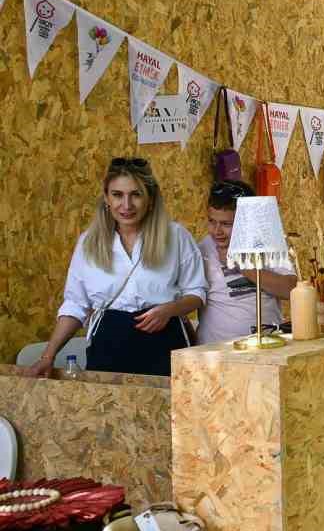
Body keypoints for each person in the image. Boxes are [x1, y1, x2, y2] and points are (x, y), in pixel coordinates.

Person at [26, 157, 206, 377]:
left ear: (150, 198)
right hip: (108, 346)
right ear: (106, 198)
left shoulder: (175, 236)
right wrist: (48, 357)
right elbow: (75, 305)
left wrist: (170, 310)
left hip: (165, 344)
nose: (127, 205)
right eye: (118, 195)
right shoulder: (88, 243)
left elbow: (196, 293)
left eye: (136, 194)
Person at [196, 179, 298, 345]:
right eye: (212, 221)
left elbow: (291, 290)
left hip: (268, 345)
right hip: (221, 352)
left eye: (226, 224)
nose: (217, 231)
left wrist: (243, 266)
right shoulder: (201, 251)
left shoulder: (266, 243)